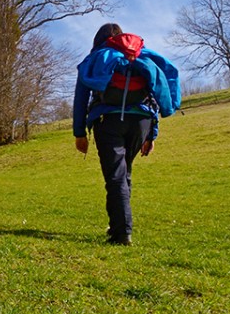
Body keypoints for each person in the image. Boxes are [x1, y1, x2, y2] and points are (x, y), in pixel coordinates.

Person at [72, 22, 180, 246]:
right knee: (124, 173)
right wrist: (152, 135)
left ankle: (121, 233)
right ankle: (119, 228)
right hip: (141, 122)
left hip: (108, 120)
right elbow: (153, 94)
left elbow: (81, 98)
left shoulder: (96, 59)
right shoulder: (141, 56)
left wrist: (79, 133)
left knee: (116, 176)